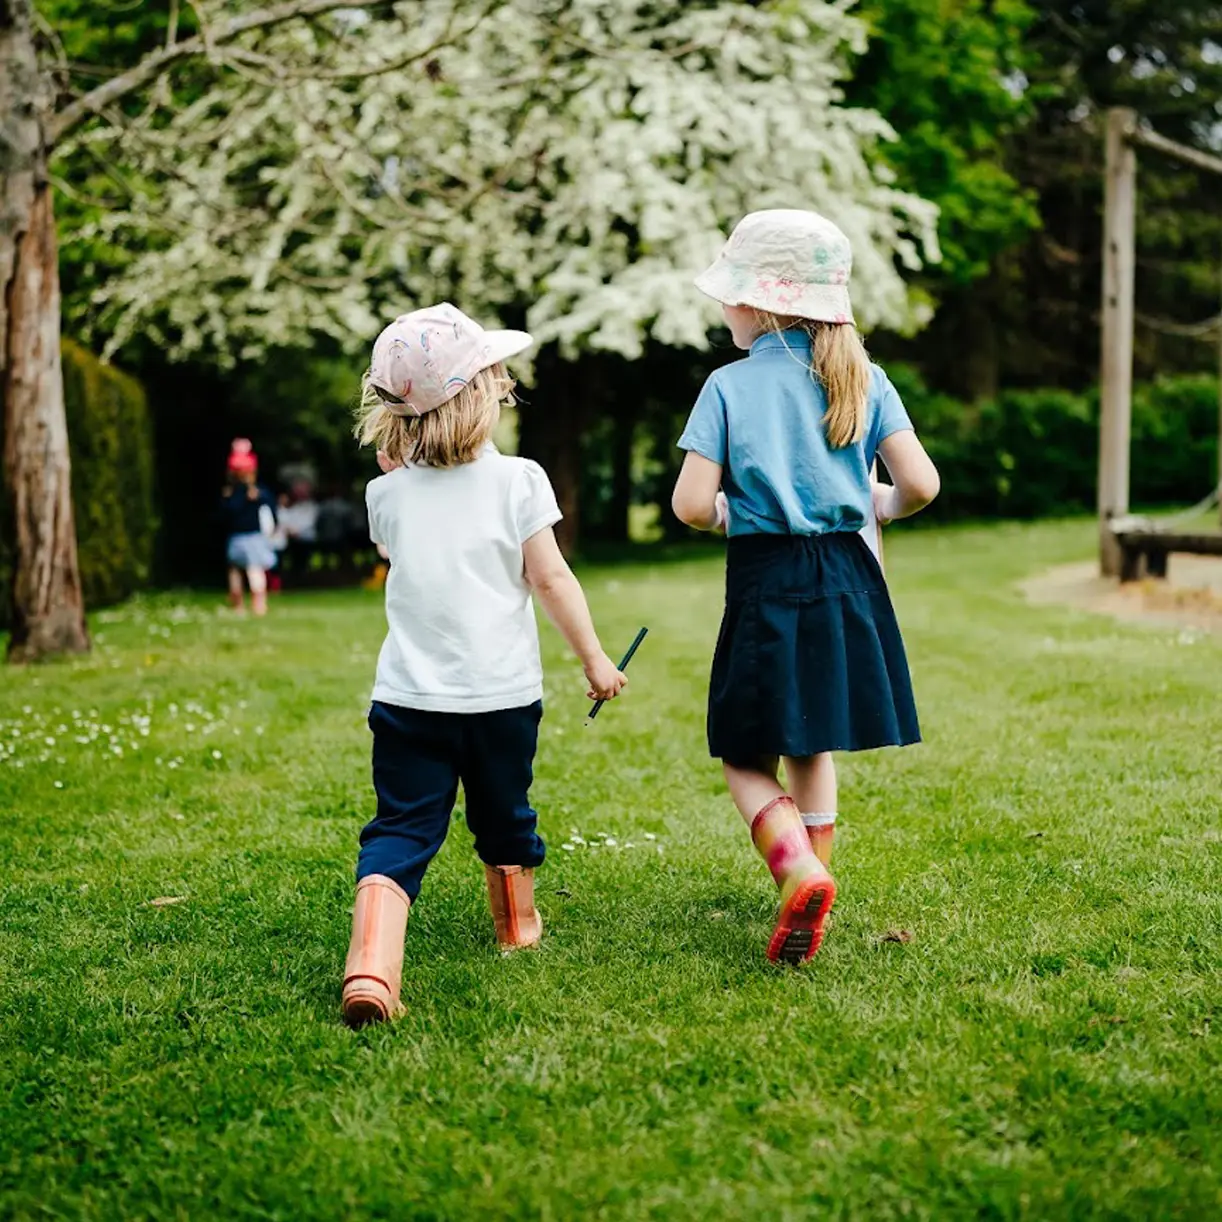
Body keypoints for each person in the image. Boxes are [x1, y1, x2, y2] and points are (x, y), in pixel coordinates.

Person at [341, 302, 627, 1026]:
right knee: (505, 816)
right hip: (500, 702)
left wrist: (399, 473)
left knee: (401, 828)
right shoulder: (519, 481)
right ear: (477, 400)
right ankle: (516, 926)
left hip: (407, 701)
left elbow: (399, 545)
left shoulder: (385, 495)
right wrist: (593, 658)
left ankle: (372, 965)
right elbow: (552, 580)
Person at [672, 209, 940, 966]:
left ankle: (797, 870)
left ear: (759, 302)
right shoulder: (864, 376)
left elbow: (691, 505)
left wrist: (728, 514)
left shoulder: (727, 387)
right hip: (850, 577)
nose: (723, 305)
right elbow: (920, 483)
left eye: (729, 292)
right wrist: (877, 501)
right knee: (812, 731)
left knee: (742, 750)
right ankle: (818, 874)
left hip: (768, 575)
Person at [219, 439, 278, 616]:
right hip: (252, 537)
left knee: (235, 570)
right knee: (254, 570)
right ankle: (259, 604)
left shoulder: (230, 493)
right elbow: (271, 509)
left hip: (236, 537)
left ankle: (238, 605)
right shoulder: (258, 493)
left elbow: (225, 514)